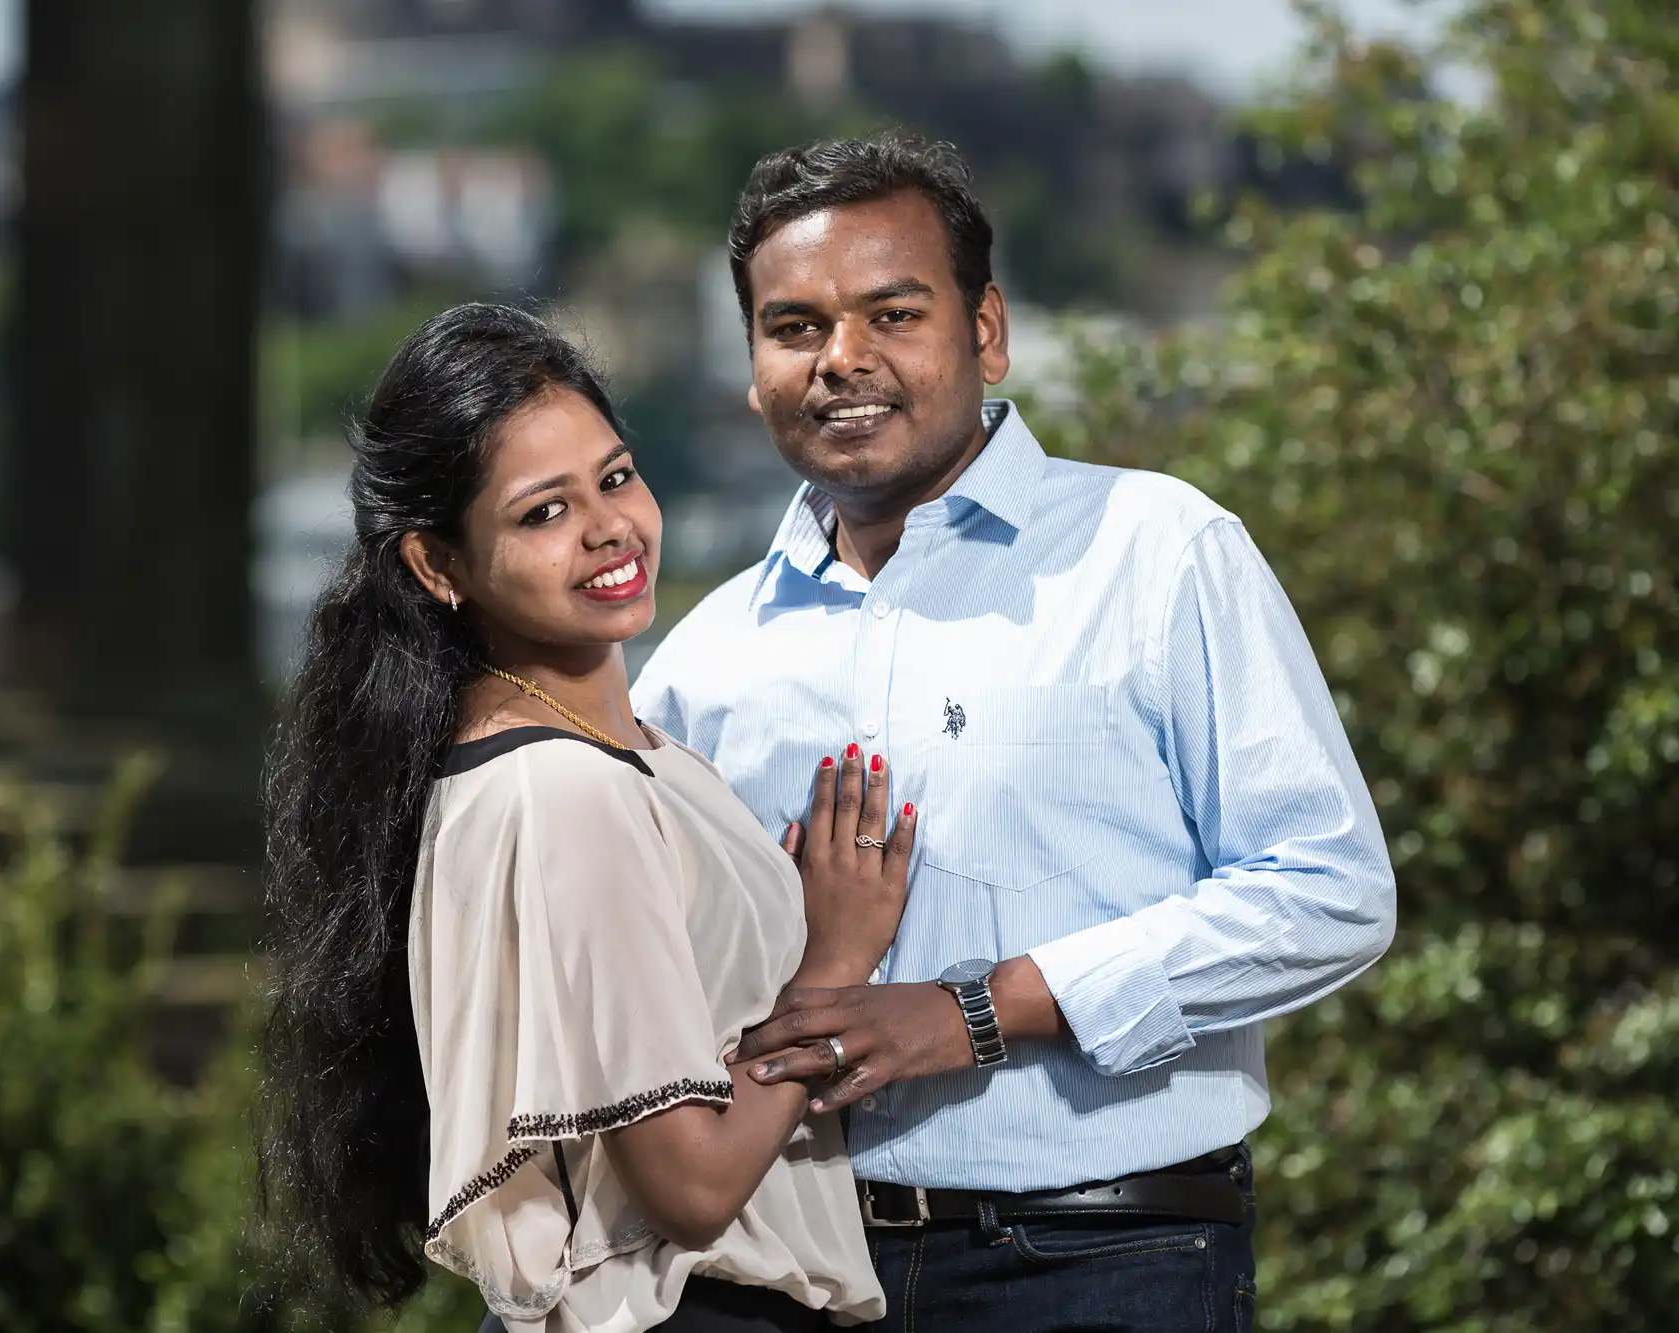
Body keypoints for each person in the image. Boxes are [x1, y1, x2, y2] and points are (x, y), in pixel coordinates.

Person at [631, 133, 1399, 1332]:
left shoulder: (1154, 552)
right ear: (750, 365)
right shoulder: (702, 662)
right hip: (785, 1275)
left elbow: (1329, 890)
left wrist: (983, 1008)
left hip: (1101, 1257)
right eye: (793, 328)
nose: (842, 360)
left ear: (984, 331)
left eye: (892, 313)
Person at [258, 303, 912, 1333]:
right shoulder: (562, 790)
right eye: (540, 512)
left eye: (613, 477)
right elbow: (689, 1188)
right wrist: (833, 963)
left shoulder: (614, 756)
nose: (607, 528)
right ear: (437, 566)